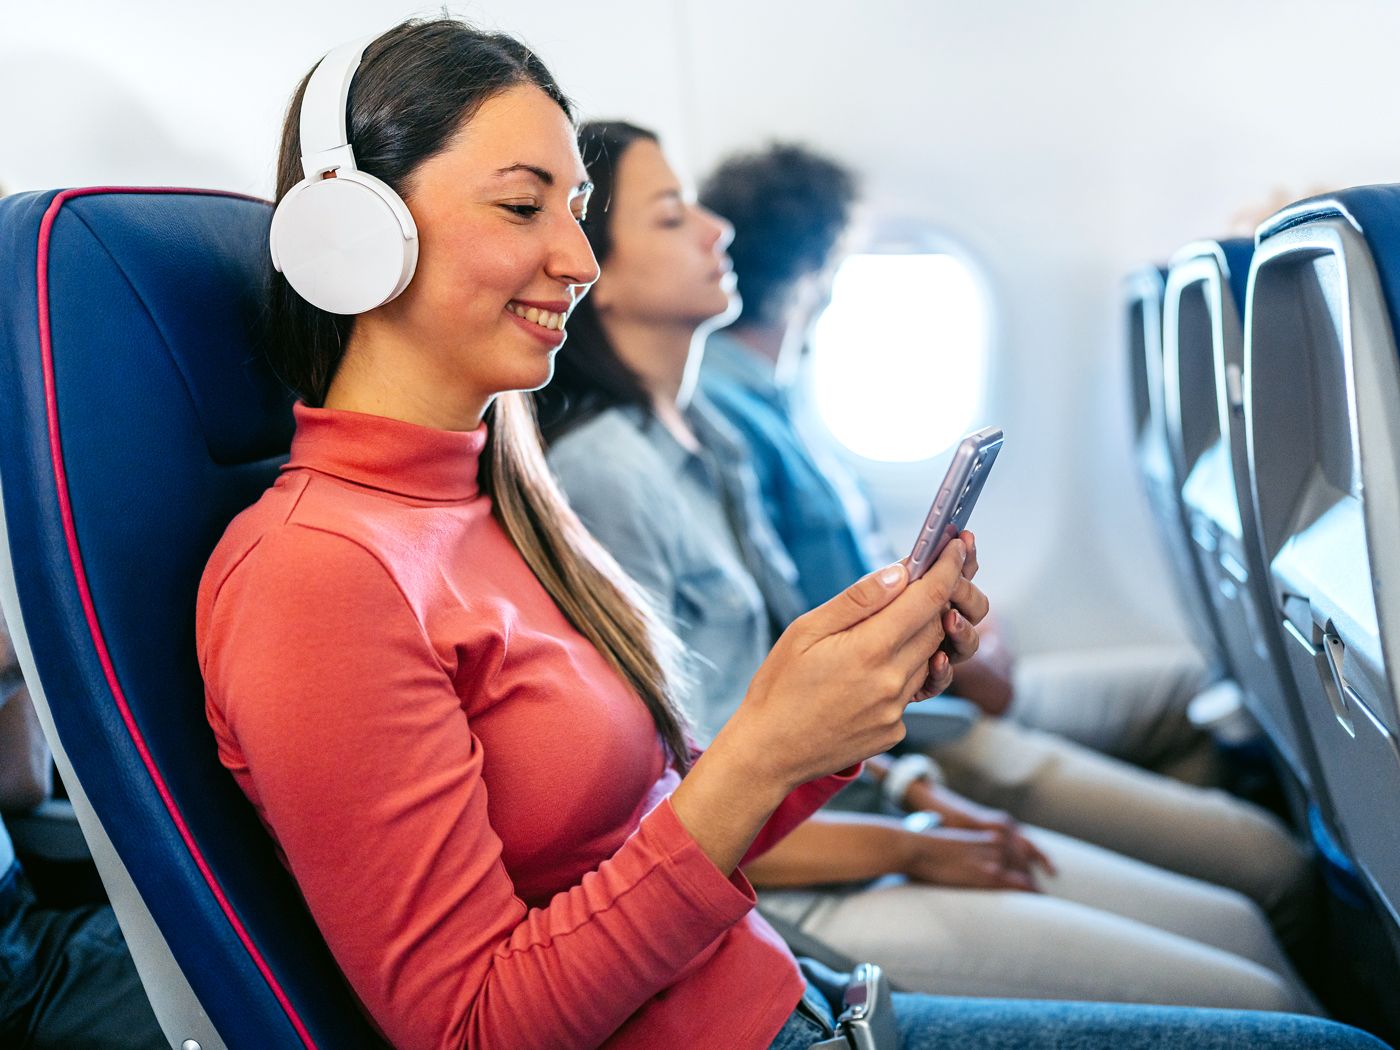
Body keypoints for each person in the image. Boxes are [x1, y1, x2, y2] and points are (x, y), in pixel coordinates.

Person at [198, 18, 1384, 1050]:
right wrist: (768, 751)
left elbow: (648, 828)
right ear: (351, 236)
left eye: (578, 211)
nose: (575, 258)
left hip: (803, 997)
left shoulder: (490, 498)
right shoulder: (315, 578)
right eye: (523, 207)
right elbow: (474, 1030)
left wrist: (837, 711)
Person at [539, 118, 1324, 1011]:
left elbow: (785, 708)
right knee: (1254, 962)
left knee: (1242, 917)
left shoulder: (701, 436)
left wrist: (913, 792)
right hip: (784, 883)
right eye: (674, 217)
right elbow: (694, 793)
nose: (716, 230)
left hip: (856, 803)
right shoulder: (603, 476)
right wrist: (910, 837)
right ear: (597, 273)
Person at [694, 143, 1312, 926]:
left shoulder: (768, 404)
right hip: (926, 727)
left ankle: (1177, 899)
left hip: (932, 703)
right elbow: (822, 622)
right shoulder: (729, 420)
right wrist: (974, 674)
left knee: (1197, 705)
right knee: (1268, 868)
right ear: (814, 268)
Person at [0, 617, 165, 1049]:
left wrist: (16, 642)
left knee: (231, 966)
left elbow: (22, 780)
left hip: (23, 923)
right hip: (18, 969)